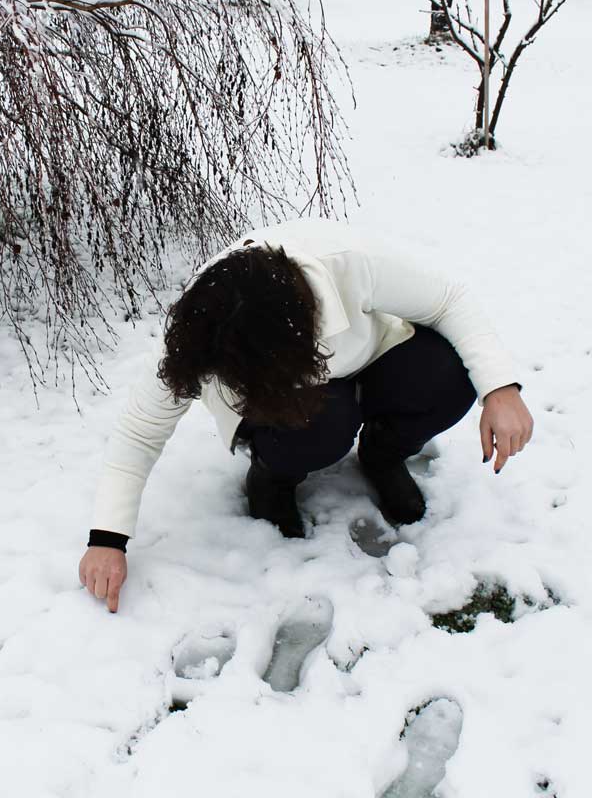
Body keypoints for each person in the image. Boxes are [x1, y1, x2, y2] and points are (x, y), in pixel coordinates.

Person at [77, 218, 534, 613]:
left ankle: (383, 454)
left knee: (449, 373)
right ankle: (273, 477)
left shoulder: (344, 263)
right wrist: (107, 539)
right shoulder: (199, 331)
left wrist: (500, 388)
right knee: (322, 422)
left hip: (368, 359)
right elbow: (140, 432)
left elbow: (448, 300)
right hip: (293, 408)